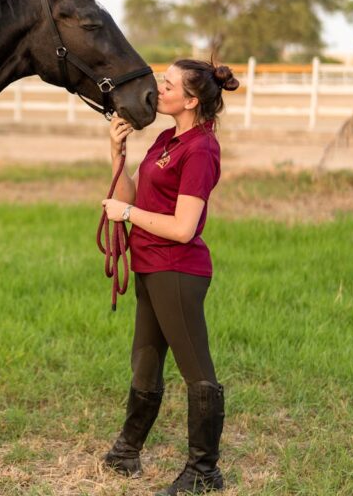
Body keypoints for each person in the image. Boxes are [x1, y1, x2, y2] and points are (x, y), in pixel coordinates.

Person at [99, 59, 239, 495]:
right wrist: (117, 154)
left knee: (197, 371)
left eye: (168, 84)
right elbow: (130, 195)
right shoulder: (166, 138)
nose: (158, 89)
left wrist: (128, 214)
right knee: (145, 361)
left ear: (192, 100)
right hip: (149, 265)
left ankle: (204, 472)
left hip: (178, 271)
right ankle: (127, 452)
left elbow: (182, 227)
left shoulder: (201, 149)